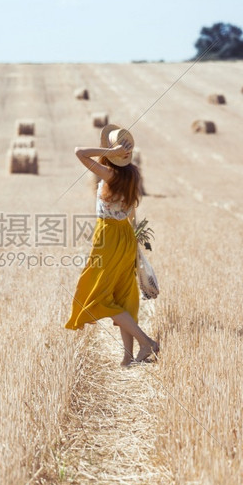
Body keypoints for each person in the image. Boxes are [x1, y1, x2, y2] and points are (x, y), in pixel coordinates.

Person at [64, 123, 159, 366]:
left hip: (108, 237)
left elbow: (79, 152)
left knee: (96, 296)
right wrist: (136, 244)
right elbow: (132, 213)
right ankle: (127, 359)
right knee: (122, 295)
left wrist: (109, 152)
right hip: (126, 236)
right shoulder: (133, 173)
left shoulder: (112, 175)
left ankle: (147, 342)